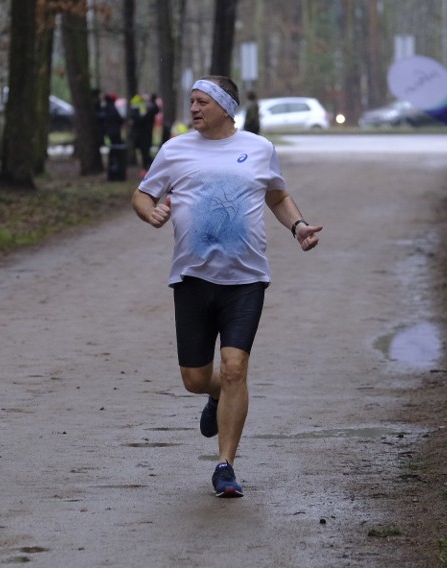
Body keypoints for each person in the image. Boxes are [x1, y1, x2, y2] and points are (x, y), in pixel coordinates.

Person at [131, 75, 322, 498]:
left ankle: (225, 465)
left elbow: (277, 196)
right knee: (195, 379)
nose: (194, 108)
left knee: (236, 367)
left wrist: (298, 226)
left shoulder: (259, 149)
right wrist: (151, 213)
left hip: (246, 278)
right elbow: (142, 195)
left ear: (224, 106)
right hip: (192, 277)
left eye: (202, 102)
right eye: (192, 101)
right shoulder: (175, 149)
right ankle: (214, 395)